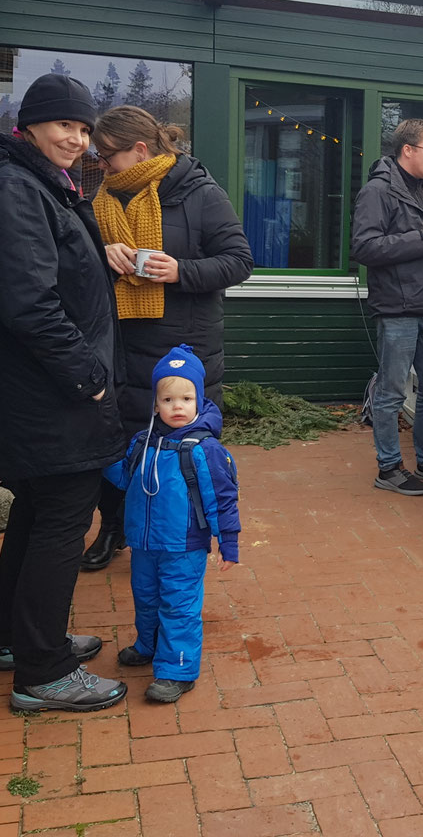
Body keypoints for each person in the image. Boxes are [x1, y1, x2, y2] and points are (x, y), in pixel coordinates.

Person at [0, 72, 127, 712]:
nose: (76, 137)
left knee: (38, 513)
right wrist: (87, 375)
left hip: (34, 391)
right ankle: (42, 671)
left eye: (83, 127)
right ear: (30, 126)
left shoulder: (29, 182)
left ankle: (21, 639)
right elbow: (30, 304)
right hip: (47, 393)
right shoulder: (17, 190)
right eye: (64, 124)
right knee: (61, 520)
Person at [80, 105, 253, 571]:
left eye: (108, 154)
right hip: (118, 342)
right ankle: (114, 528)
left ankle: (178, 536)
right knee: (119, 446)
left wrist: (181, 271)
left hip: (180, 350)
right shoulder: (101, 198)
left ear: (140, 150)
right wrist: (101, 249)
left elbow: (239, 261)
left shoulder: (201, 193)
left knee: (174, 451)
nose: (101, 164)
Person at [106, 345, 240, 702]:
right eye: (168, 399)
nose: (177, 406)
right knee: (146, 598)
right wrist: (100, 455)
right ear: (155, 404)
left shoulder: (204, 449)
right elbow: (124, 479)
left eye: (186, 398)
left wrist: (228, 542)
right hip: (145, 544)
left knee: (178, 605)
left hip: (184, 545)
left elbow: (223, 500)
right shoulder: (142, 443)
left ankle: (177, 669)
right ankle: (148, 645)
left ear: (199, 400)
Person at [351, 119, 423, 497]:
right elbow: (364, 247)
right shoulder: (377, 192)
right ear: (407, 151)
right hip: (399, 309)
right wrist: (420, 239)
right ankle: (388, 468)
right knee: (391, 393)